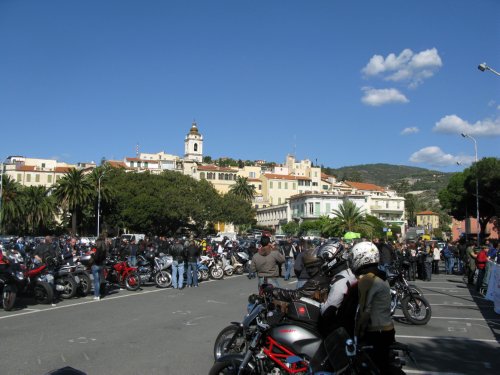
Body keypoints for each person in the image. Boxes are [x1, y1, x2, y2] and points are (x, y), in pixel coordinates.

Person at [349, 241, 400, 374]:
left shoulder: (367, 279)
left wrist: (356, 333)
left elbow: (363, 310)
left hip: (376, 333)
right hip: (387, 329)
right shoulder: (380, 275)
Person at [91, 234, 108, 300]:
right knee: (100, 280)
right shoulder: (104, 249)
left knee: (96, 281)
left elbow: (96, 258)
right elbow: (104, 257)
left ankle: (97, 295)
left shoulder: (98, 249)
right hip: (101, 265)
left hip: (96, 265)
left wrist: (92, 254)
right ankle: (100, 292)